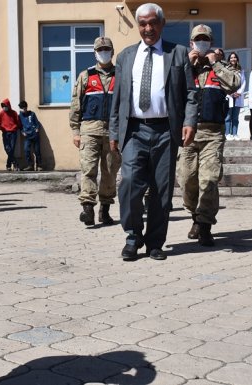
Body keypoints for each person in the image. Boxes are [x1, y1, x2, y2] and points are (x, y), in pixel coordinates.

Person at [109, 3, 198, 261]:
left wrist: (190, 121)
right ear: (138, 26)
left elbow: (191, 94)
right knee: (129, 185)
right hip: (134, 131)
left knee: (162, 190)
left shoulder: (178, 53)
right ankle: (133, 237)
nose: (148, 28)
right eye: (143, 23)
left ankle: (155, 242)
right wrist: (114, 131)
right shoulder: (125, 57)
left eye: (152, 23)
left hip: (165, 131)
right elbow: (118, 98)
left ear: (162, 24)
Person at [177, 24, 241, 246]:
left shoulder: (220, 67)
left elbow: (235, 83)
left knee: (209, 180)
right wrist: (188, 66)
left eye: (205, 39)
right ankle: (195, 215)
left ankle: (204, 224)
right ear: (191, 43)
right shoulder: (184, 66)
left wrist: (215, 62)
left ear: (211, 43)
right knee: (186, 179)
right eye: (198, 39)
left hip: (213, 133)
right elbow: (170, 90)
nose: (201, 43)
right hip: (188, 133)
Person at [70, 36, 121, 227]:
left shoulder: (120, 75)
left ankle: (105, 209)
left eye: (106, 49)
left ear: (112, 52)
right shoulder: (86, 76)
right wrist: (75, 130)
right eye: (100, 50)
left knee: (109, 171)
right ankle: (88, 209)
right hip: (89, 130)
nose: (104, 53)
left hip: (113, 132)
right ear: (95, 53)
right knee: (88, 170)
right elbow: (75, 105)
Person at [225, 52, 246, 141]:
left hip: (237, 96)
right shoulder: (226, 70)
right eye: (231, 58)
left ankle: (235, 134)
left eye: (234, 57)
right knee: (228, 116)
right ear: (229, 60)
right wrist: (230, 93)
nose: (233, 59)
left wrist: (239, 92)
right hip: (229, 95)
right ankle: (227, 133)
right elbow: (224, 82)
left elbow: (243, 82)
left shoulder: (241, 70)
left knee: (235, 117)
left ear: (237, 59)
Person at [18, 100, 43, 171]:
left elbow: (37, 123)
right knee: (26, 150)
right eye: (22, 108)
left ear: (26, 107)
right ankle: (30, 165)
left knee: (37, 150)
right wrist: (22, 132)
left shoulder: (32, 114)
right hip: (27, 136)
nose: (23, 110)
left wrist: (37, 129)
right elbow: (19, 126)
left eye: (24, 108)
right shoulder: (20, 116)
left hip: (34, 134)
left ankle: (39, 165)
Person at [0, 98, 20, 171]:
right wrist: (1, 128)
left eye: (5, 106)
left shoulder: (14, 113)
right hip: (5, 133)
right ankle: (15, 162)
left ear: (8, 105)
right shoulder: (1, 113)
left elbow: (17, 122)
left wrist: (15, 127)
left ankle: (8, 166)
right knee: (7, 148)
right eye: (3, 106)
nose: (4, 107)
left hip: (13, 133)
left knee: (12, 148)